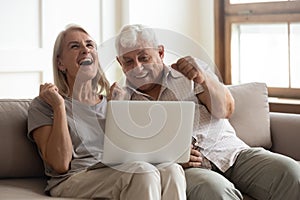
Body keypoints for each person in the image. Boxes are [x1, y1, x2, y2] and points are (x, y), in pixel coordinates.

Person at [110, 24, 300, 200]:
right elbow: (123, 156)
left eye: (144, 58)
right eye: (128, 62)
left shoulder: (189, 74)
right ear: (120, 63)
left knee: (291, 172)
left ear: (160, 53)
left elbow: (226, 110)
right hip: (186, 170)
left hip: (230, 152)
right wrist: (167, 157)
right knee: (215, 191)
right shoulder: (121, 98)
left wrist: (205, 80)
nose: (137, 67)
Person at [27, 24, 187, 200]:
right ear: (60, 63)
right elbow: (60, 164)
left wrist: (118, 111)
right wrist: (59, 108)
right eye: (75, 46)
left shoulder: (113, 101)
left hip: (116, 171)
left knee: (172, 169)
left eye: (90, 45)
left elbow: (131, 154)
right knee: (142, 172)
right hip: (73, 178)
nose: (85, 50)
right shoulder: (45, 105)